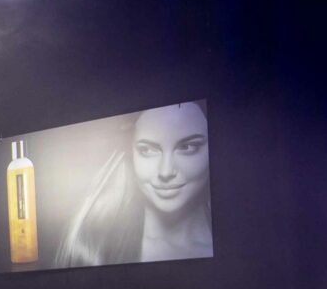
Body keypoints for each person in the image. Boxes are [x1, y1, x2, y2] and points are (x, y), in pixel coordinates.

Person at [56, 101, 212, 268]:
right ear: (130, 152)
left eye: (187, 147)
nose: (166, 172)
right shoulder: (92, 246)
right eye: (148, 150)